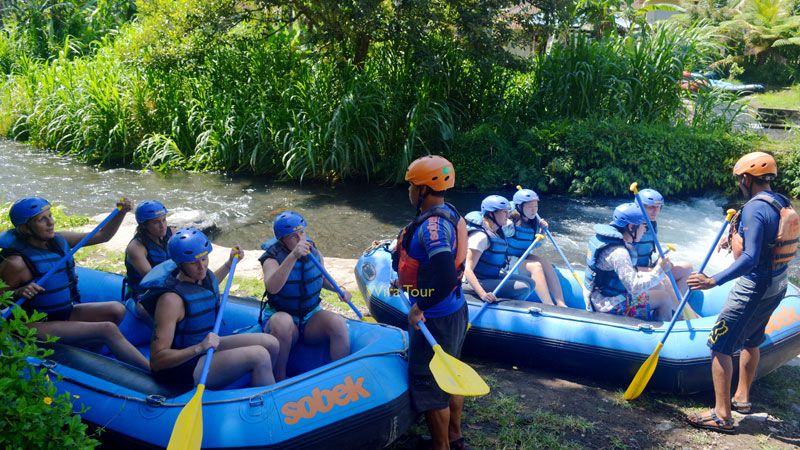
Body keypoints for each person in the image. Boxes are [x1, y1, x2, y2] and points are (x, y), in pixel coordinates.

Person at [685, 152, 799, 434]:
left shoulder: (753, 209)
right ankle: (742, 398)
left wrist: (714, 280)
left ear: (747, 178)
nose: (739, 184)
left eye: (739, 180)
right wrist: (733, 235)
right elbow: (766, 239)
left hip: (754, 286)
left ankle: (722, 416)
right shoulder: (781, 201)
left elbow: (749, 258)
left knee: (719, 344)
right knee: (752, 339)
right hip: (778, 283)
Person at [0, 197, 150, 371]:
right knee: (107, 329)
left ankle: (88, 359)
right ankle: (154, 373)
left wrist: (121, 213)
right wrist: (18, 292)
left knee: (117, 309)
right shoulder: (15, 263)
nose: (51, 222)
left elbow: (103, 235)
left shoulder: (58, 240)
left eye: (50, 216)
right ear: (25, 228)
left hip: (62, 312)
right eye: (42, 219)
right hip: (32, 325)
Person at [391, 155, 469, 450]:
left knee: (432, 386)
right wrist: (406, 281)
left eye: (412, 186)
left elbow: (447, 276)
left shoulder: (431, 227)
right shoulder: (448, 212)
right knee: (451, 374)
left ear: (423, 190)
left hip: (434, 318)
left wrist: (419, 306)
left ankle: (441, 446)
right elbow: (434, 268)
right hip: (454, 310)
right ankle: (454, 438)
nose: (409, 191)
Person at [143, 228, 279, 389]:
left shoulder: (202, 276)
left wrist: (229, 264)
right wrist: (198, 348)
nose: (201, 267)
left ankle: (268, 382)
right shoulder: (171, 301)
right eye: (194, 262)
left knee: (271, 343)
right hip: (183, 366)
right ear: (179, 264)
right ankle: (267, 402)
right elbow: (157, 361)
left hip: (205, 346)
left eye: (204, 259)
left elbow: (208, 287)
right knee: (260, 355)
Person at [259, 211, 351, 382]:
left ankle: (343, 378)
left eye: (302, 232)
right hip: (282, 321)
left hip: (310, 318)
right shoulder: (271, 259)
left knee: (337, 323)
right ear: (281, 240)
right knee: (283, 322)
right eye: (293, 236)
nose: (300, 239)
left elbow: (322, 279)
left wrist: (340, 289)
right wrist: (293, 256)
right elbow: (272, 287)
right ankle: (278, 380)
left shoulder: (313, 251)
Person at [583, 202, 677, 321]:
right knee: (664, 298)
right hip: (607, 305)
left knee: (658, 286)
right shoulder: (619, 252)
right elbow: (634, 288)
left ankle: (649, 319)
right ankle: (663, 332)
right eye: (644, 226)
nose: (645, 230)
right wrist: (659, 269)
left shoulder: (609, 241)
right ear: (632, 227)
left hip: (598, 297)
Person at [462, 195, 534, 302]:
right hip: (473, 281)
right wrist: (483, 294)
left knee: (531, 283)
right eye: (504, 212)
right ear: (491, 214)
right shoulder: (480, 237)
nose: (507, 215)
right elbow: (467, 270)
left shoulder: (497, 232)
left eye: (508, 212)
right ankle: (503, 309)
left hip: (491, 275)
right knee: (523, 287)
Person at [508, 187, 566, 307]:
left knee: (545, 263)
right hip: (506, 260)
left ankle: (561, 303)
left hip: (521, 256)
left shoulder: (533, 222)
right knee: (536, 266)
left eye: (536, 207)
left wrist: (543, 231)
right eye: (530, 207)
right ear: (519, 207)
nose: (534, 211)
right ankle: (549, 305)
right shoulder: (509, 223)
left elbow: (536, 244)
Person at [634, 188, 695, 295]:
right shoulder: (631, 228)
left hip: (645, 267)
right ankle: (679, 307)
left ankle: (677, 304)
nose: (656, 211)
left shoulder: (652, 224)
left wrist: (660, 262)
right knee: (663, 278)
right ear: (640, 207)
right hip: (632, 271)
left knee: (687, 268)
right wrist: (657, 269)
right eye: (651, 207)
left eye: (658, 207)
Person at [125, 200, 173, 325]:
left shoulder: (172, 233)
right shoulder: (136, 247)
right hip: (144, 290)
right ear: (143, 225)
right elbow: (152, 279)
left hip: (170, 283)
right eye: (156, 222)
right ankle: (157, 334)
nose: (163, 226)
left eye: (164, 220)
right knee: (143, 310)